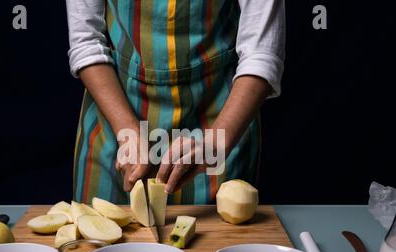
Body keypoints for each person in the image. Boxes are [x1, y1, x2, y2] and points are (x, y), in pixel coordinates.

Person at [66, 0, 285, 204]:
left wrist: (214, 145)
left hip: (218, 117)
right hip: (115, 118)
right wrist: (127, 130)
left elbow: (261, 53)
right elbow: (87, 41)